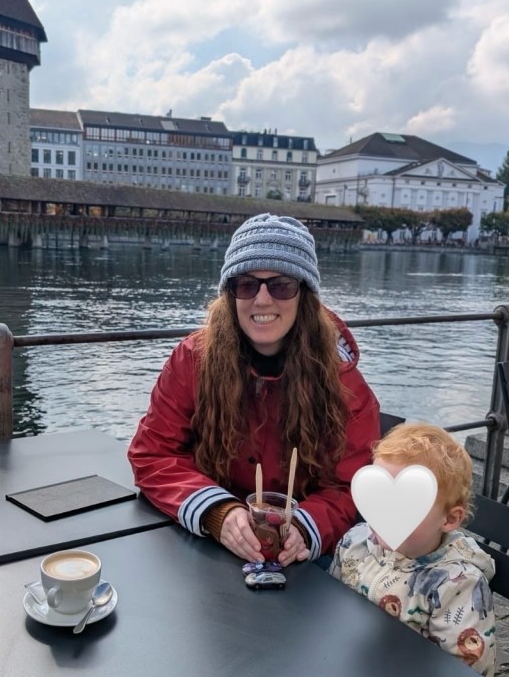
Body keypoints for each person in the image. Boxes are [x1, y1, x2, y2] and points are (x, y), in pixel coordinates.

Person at [128, 212, 380, 565]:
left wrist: (306, 527)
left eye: (281, 285)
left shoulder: (343, 381)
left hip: (302, 559)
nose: (262, 300)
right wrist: (217, 512)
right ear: (229, 294)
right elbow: (152, 453)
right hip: (209, 543)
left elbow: (351, 486)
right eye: (246, 284)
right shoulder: (192, 360)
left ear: (305, 294)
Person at [329, 423, 496, 677]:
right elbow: (332, 607)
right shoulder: (356, 542)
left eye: (406, 505)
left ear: (449, 519)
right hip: (351, 670)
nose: (385, 513)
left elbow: (465, 676)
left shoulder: (458, 586)